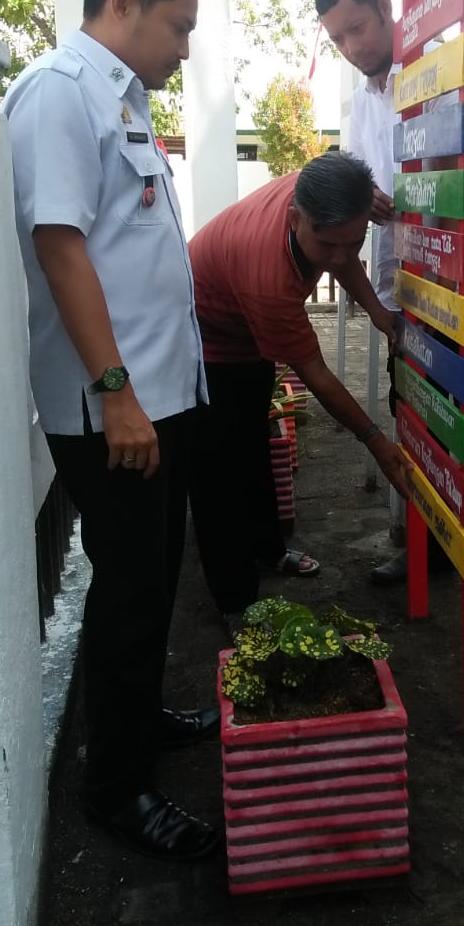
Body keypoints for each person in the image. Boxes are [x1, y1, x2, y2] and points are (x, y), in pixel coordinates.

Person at [5, 0, 221, 861]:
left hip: (155, 400)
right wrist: (118, 394)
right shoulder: (60, 95)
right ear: (121, 3)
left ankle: (137, 723)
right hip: (114, 411)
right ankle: (115, 788)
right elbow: (61, 247)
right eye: (176, 26)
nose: (183, 47)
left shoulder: (120, 99)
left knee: (151, 580)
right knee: (129, 591)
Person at [314, 0, 464, 631]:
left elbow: (463, 176)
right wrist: (365, 197)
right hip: (406, 284)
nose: (352, 47)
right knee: (416, 415)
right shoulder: (361, 101)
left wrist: (398, 195)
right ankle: (429, 545)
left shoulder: (441, 74)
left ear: (385, 9)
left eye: (357, 28)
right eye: (338, 39)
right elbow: (359, 181)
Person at [188, 152, 413, 622]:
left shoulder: (322, 188)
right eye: (327, 244)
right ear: (295, 219)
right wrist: (376, 442)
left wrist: (376, 311)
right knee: (219, 475)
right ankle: (236, 605)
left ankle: (269, 549)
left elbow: (341, 255)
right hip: (206, 339)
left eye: (353, 241)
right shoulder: (268, 279)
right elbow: (317, 375)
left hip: (246, 333)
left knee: (253, 445)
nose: (340, 256)